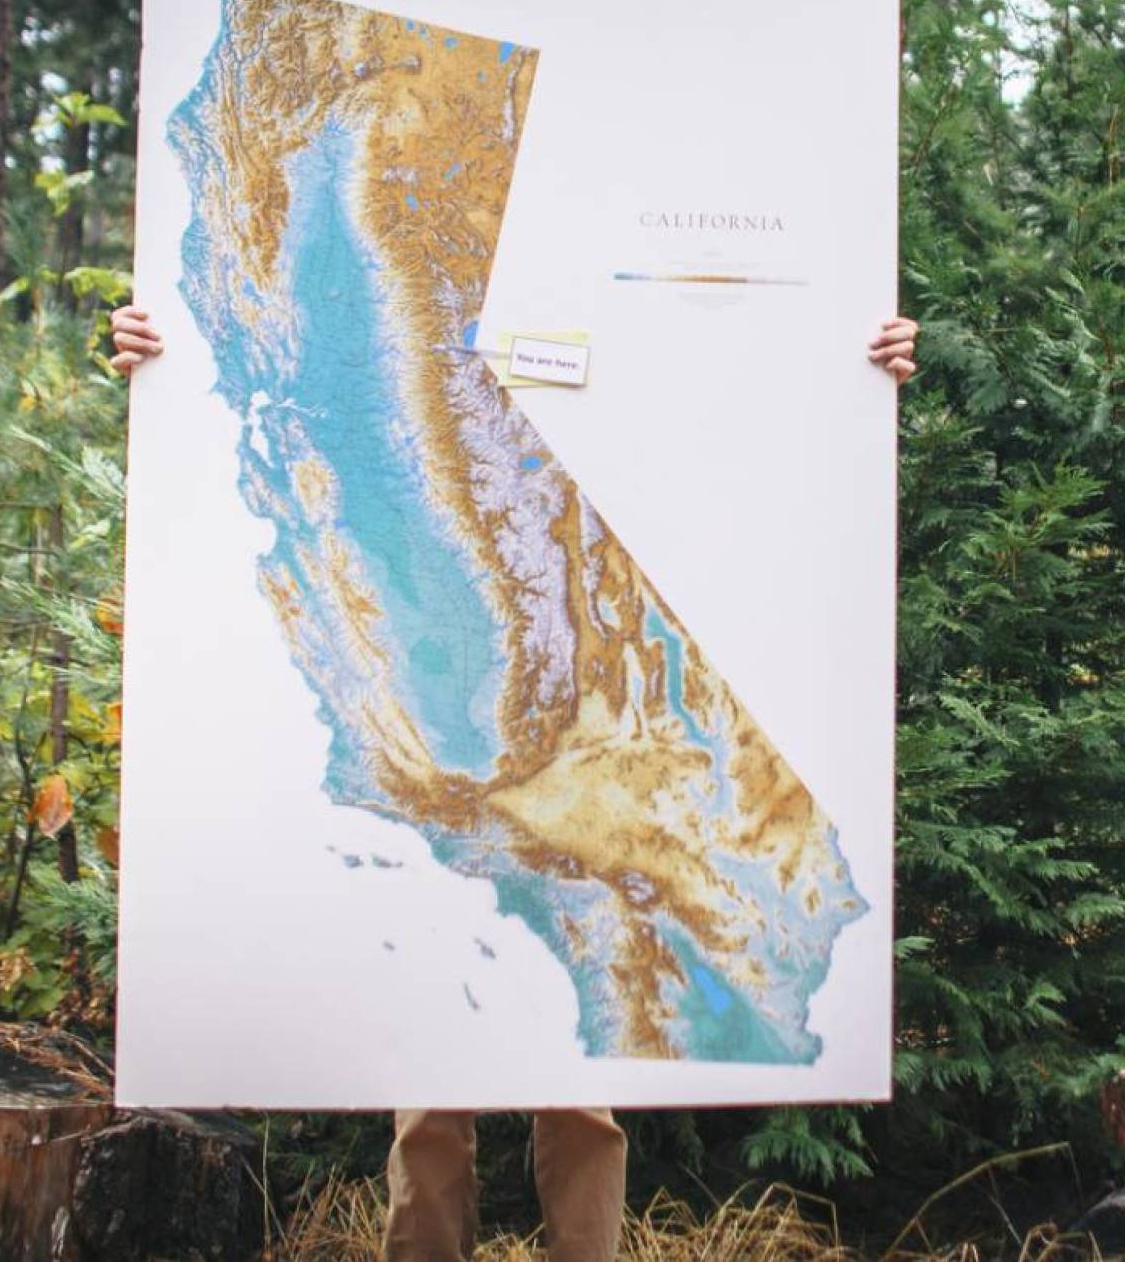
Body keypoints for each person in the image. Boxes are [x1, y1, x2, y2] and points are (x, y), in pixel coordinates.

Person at [108, 303, 919, 1262]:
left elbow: (723, 382)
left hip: (587, 711)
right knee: (429, 1080)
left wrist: (852, 363)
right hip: (426, 705)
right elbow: (287, 386)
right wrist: (158, 355)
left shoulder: (588, 277)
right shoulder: (392, 313)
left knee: (582, 1076)